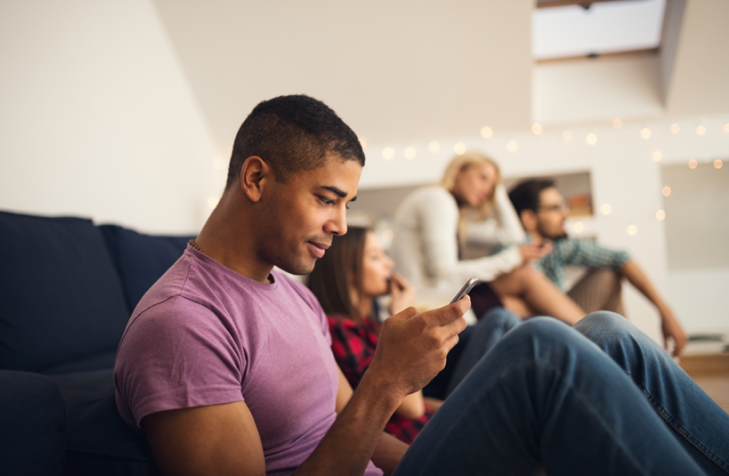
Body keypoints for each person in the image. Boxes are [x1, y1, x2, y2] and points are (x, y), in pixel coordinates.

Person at [113, 95, 728, 476]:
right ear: (255, 178)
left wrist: (450, 452)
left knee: (607, 333)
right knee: (543, 348)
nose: (342, 226)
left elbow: (346, 428)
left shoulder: (293, 293)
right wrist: (386, 380)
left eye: (348, 203)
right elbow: (367, 407)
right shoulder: (183, 324)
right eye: (328, 200)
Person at [306, 226, 521, 444]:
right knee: (499, 320)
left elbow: (421, 402)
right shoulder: (340, 329)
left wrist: (461, 410)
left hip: (431, 425)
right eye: (375, 257)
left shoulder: (370, 324)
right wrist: (402, 313)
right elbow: (411, 407)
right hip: (418, 443)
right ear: (348, 271)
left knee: (503, 323)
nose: (389, 264)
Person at [390, 153, 586, 324]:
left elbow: (512, 236)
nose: (487, 189)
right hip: (431, 299)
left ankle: (591, 339)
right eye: (482, 178)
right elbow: (444, 273)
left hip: (442, 295)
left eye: (491, 185)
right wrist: (513, 257)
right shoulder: (438, 200)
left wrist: (498, 191)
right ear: (459, 171)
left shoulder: (454, 214)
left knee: (527, 294)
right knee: (526, 279)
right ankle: (593, 338)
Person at [508, 178, 688, 356]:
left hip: (562, 327)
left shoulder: (555, 247)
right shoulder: (513, 253)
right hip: (540, 340)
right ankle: (628, 357)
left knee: (608, 273)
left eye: (564, 205)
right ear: (529, 219)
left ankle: (626, 356)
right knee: (607, 278)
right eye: (556, 208)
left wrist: (665, 313)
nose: (566, 213)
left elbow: (620, 258)